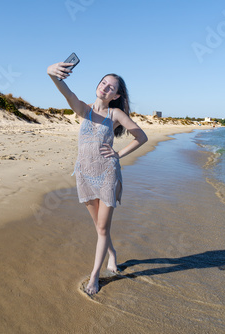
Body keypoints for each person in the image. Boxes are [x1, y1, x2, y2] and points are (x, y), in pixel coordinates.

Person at [47, 60, 148, 295]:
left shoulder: (115, 114)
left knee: (102, 228)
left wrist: (118, 154)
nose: (105, 88)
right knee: (99, 227)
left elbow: (141, 137)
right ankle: (112, 254)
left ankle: (95, 276)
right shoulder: (85, 109)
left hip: (107, 175)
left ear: (116, 95)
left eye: (110, 87)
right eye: (103, 83)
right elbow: (67, 93)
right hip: (84, 174)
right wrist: (52, 75)